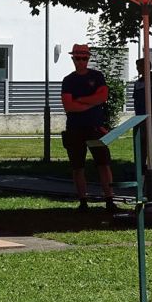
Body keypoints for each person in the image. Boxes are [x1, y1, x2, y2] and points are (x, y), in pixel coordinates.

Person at [60, 44, 117, 212]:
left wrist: (81, 101)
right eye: (78, 58)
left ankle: (109, 198)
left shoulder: (97, 76)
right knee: (78, 166)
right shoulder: (68, 80)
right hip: (75, 128)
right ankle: (83, 200)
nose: (81, 61)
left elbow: (103, 96)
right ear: (73, 59)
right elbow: (69, 106)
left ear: (88, 58)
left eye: (84, 58)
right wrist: (92, 102)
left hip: (95, 128)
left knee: (103, 163)